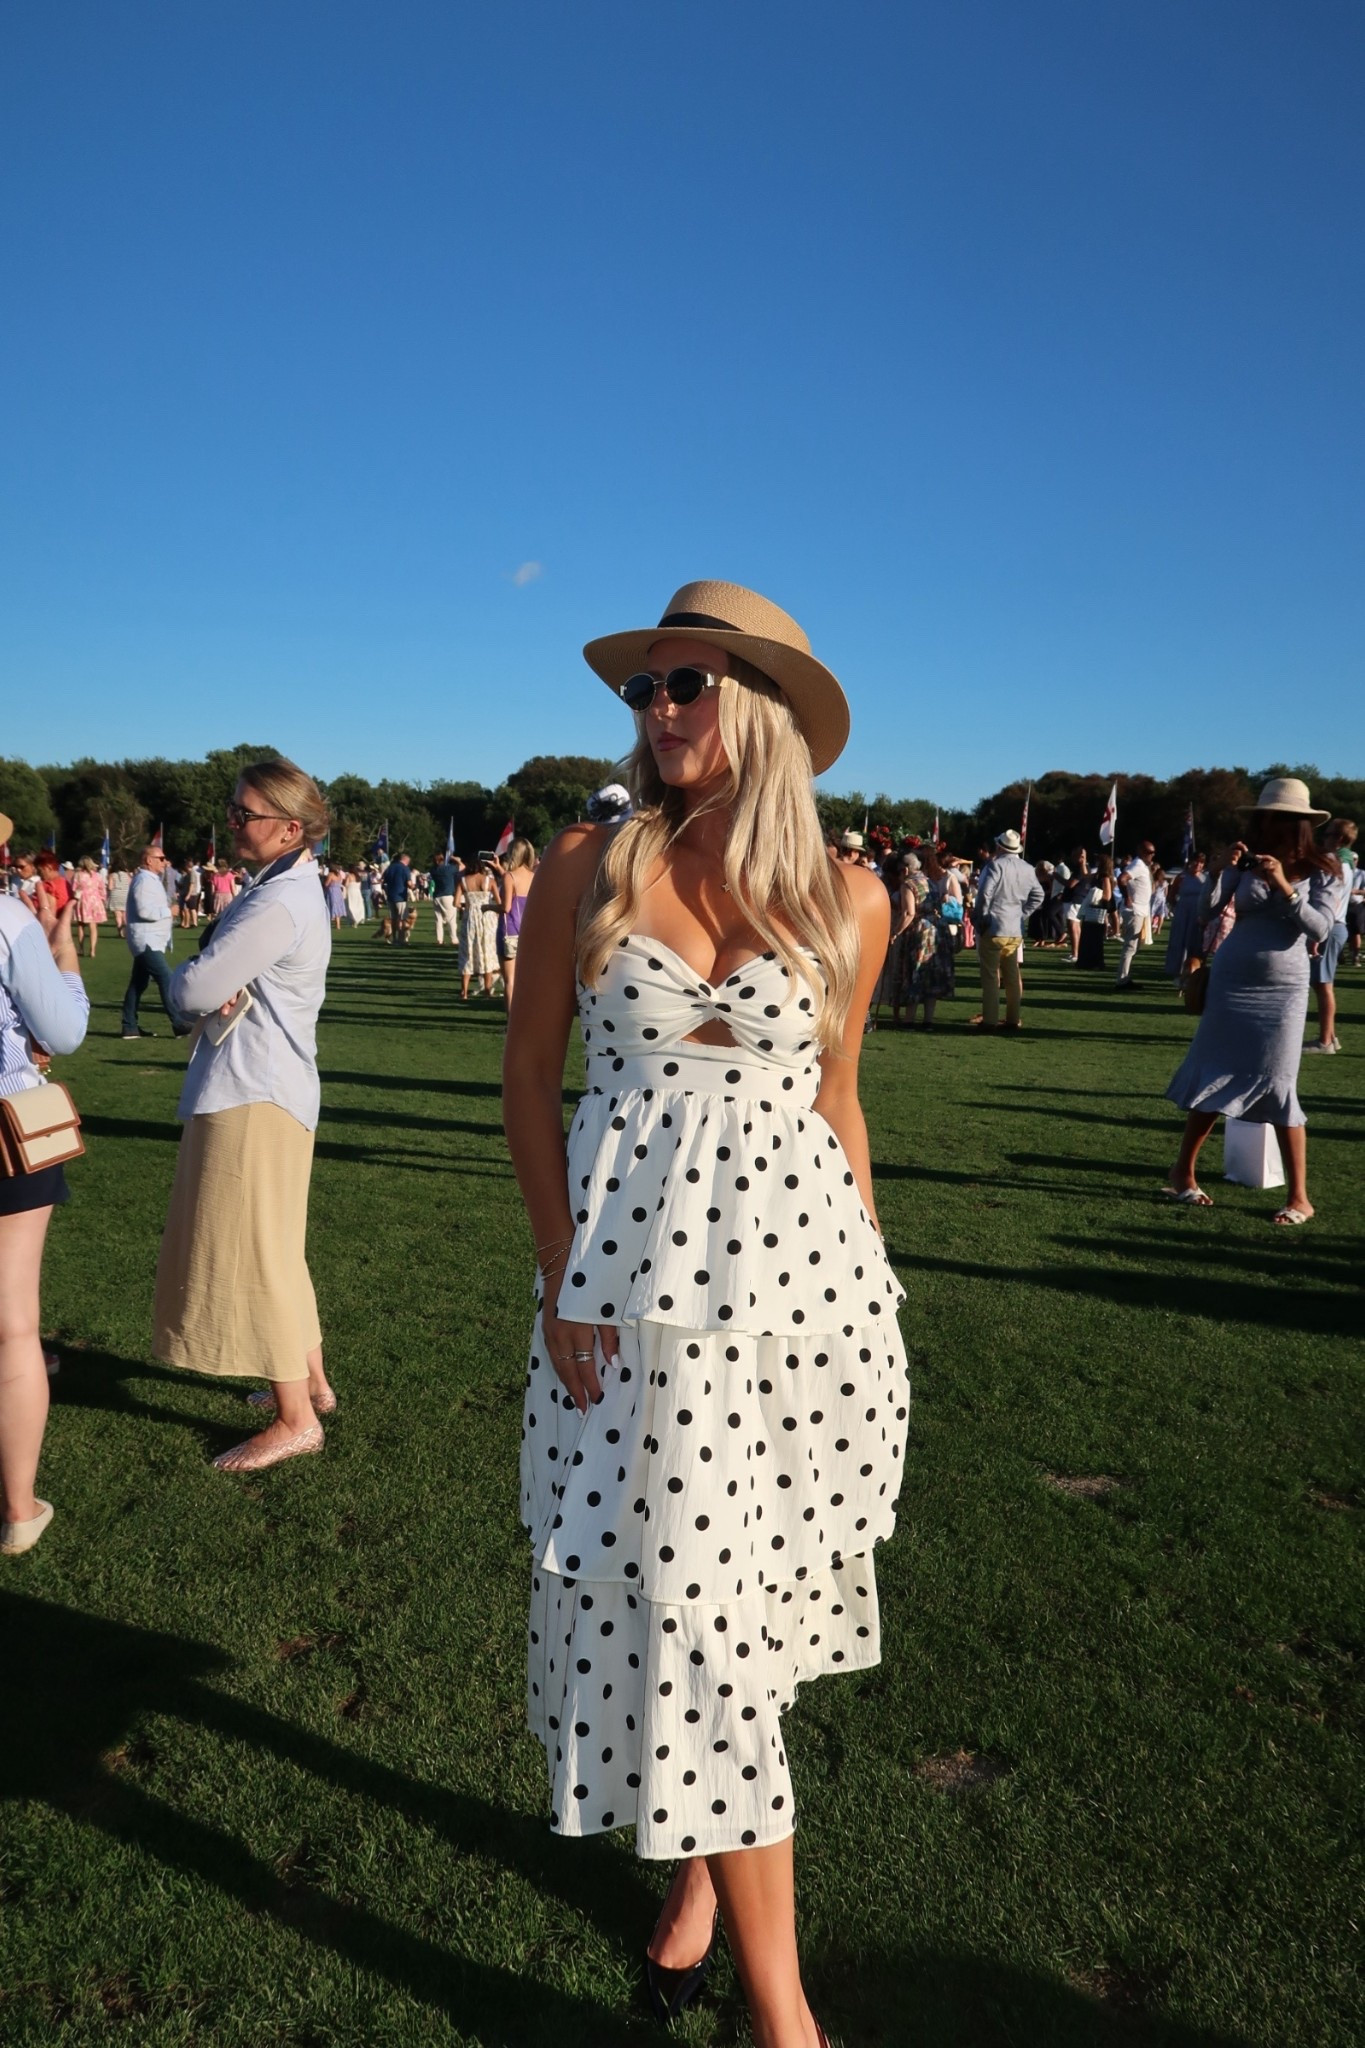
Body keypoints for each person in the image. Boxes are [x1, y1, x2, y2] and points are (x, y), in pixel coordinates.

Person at [504, 581, 906, 2048]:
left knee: (742, 1618)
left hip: (802, 1310)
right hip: (629, 1313)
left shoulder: (851, 895)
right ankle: (785, 2019)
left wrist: (874, 1298)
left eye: (686, 685)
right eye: (645, 689)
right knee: (688, 1617)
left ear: (762, 708)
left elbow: (838, 1103)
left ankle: (689, 1898)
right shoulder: (585, 867)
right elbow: (528, 1089)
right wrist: (559, 1275)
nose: (657, 711)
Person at [153, 759, 336, 1470]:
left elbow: (195, 987)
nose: (232, 824)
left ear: (291, 826)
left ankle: (294, 1417)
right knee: (277, 1246)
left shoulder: (278, 901)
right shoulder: (283, 890)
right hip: (266, 1088)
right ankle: (310, 1386)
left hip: (252, 1090)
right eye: (232, 810)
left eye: (246, 814)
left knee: (256, 1251)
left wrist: (182, 992)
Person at [1164, 779, 1339, 1224]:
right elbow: (1208, 910)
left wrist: (1283, 884)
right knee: (1213, 1074)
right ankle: (1182, 1173)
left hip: (1282, 991)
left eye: (1278, 818)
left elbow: (1319, 929)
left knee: (1280, 1083)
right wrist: (1222, 871)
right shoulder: (1245, 864)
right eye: (1264, 817)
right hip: (1231, 980)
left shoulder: (1324, 868)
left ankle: (1300, 1197)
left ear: (1299, 824)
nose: (1268, 825)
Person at [0, 811, 90, 1555]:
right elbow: (63, 1032)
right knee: (13, 1327)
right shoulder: (7, 919)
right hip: (7, 1129)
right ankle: (19, 1505)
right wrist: (64, 955)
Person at [971, 828, 1043, 1031]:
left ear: (1000, 846)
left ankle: (990, 1020)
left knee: (991, 976)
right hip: (1014, 929)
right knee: (1012, 977)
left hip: (994, 927)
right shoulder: (1028, 868)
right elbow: (1039, 895)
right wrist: (1022, 913)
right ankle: (1012, 1019)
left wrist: (982, 917)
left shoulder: (995, 865)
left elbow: (985, 894)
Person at [120, 845, 191, 1040]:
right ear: (148, 860)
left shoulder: (150, 880)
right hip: (146, 941)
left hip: (150, 940)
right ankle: (178, 1022)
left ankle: (129, 1026)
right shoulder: (144, 880)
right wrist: (168, 912)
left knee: (138, 984)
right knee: (166, 978)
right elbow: (144, 911)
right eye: (161, 858)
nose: (164, 861)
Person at [1305, 819, 1354, 1053]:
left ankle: (1325, 1040)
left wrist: (1316, 936)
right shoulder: (1347, 862)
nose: (1324, 838)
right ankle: (1330, 1036)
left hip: (1331, 925)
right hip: (1336, 925)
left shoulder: (1334, 861)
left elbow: (1330, 901)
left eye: (1329, 834)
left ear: (1340, 839)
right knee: (1323, 983)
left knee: (1323, 984)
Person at [493, 838, 537, 1007]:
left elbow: (506, 907)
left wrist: (488, 907)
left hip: (509, 930)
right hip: (528, 932)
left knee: (510, 981)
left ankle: (511, 1022)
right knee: (526, 980)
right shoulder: (535, 876)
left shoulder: (510, 877)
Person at [456, 858, 499, 998]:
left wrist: (467, 906)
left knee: (467, 953)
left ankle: (464, 991)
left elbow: (456, 903)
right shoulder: (489, 881)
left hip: (470, 920)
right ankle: (487, 990)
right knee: (487, 953)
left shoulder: (463, 881)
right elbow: (499, 902)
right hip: (486, 919)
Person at [1115, 841, 1155, 989]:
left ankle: (1126, 977)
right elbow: (1122, 879)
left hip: (1141, 910)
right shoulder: (1137, 865)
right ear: (1140, 851)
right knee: (1130, 946)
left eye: (1152, 852)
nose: (1151, 855)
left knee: (1135, 947)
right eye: (1148, 852)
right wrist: (1127, 897)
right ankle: (1122, 980)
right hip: (1135, 910)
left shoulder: (1143, 866)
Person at [71, 857, 108, 958]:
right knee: (93, 927)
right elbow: (102, 889)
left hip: (83, 900)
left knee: (81, 925)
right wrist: (102, 899)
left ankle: (81, 948)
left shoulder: (78, 875)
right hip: (95, 901)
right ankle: (92, 950)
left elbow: (74, 888)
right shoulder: (97, 875)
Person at [430, 849, 463, 948]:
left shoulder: (433, 870)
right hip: (447, 895)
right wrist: (455, 859)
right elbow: (462, 867)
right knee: (451, 919)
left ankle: (439, 939)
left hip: (437, 896)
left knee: (438, 919)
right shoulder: (448, 869)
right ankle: (454, 939)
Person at [383, 853, 412, 944]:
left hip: (391, 896)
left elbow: (384, 881)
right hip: (401, 897)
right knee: (402, 918)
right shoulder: (405, 868)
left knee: (393, 918)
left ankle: (394, 938)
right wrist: (413, 887)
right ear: (405, 860)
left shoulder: (390, 868)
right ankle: (401, 939)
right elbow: (409, 883)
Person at [108, 865, 131, 934]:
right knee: (125, 914)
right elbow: (130, 884)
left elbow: (110, 887)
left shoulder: (112, 875)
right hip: (125, 894)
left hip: (116, 895)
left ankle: (120, 931)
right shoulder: (127, 875)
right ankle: (127, 930)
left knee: (118, 915)